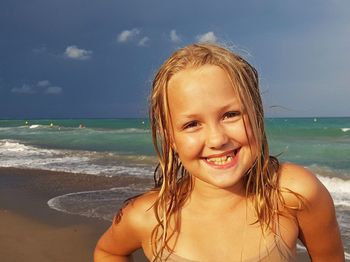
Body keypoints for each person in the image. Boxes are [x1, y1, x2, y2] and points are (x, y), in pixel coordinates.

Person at [94, 43, 344, 261]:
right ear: (170, 138)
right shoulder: (148, 217)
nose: (217, 139)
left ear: (256, 115)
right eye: (192, 124)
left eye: (230, 115)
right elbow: (109, 252)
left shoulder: (292, 193)